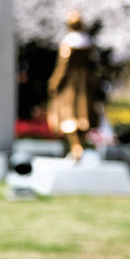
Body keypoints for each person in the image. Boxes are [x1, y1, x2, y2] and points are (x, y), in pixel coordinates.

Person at [46, 11, 101, 159]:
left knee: (69, 115)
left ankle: (76, 147)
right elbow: (93, 65)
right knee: (83, 115)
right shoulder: (88, 43)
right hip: (85, 84)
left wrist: (55, 82)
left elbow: (63, 66)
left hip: (69, 85)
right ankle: (80, 146)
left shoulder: (68, 43)